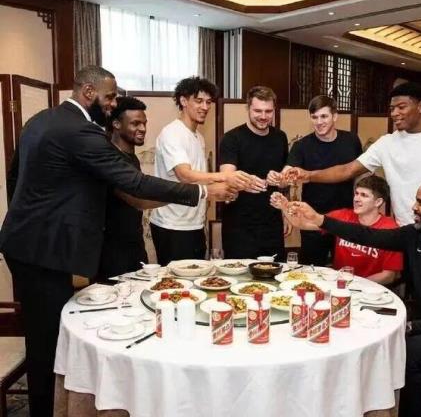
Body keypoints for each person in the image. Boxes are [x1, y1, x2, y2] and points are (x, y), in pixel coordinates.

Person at [0, 66, 235, 417]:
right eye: (109, 97)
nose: (112, 105)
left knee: (44, 338)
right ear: (89, 92)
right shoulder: (80, 131)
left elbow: (15, 176)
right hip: (43, 249)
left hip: (27, 241)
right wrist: (202, 191)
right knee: (49, 344)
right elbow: (134, 183)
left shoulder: (41, 120)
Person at [283, 179, 421, 417]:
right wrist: (320, 220)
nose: (414, 207)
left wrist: (411, 327)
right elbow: (368, 236)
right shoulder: (417, 235)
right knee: (363, 324)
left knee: (407, 354)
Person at [285, 82, 421, 227]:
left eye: (401, 107)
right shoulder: (387, 143)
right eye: (392, 109)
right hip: (406, 229)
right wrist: (308, 175)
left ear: (420, 107)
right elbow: (347, 170)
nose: (394, 113)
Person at [149, 76, 259, 265]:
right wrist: (225, 176)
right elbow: (184, 175)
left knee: (197, 278)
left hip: (194, 224)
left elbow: (200, 179)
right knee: (176, 281)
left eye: (208, 102)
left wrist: (229, 187)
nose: (205, 107)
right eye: (199, 101)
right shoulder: (172, 133)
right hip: (172, 224)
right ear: (183, 101)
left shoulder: (198, 136)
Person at [267, 95, 362, 265]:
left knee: (346, 270)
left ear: (335, 116)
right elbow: (286, 175)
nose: (319, 122)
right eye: (314, 117)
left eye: (324, 116)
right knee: (312, 269)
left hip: (346, 219)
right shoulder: (302, 146)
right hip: (312, 219)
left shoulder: (351, 140)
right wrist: (279, 178)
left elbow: (360, 175)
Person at [272, 175, 403, 285]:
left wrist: (355, 284)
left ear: (378, 202)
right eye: (356, 194)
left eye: (364, 195)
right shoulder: (343, 215)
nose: (356, 199)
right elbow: (302, 224)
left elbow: (388, 275)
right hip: (338, 285)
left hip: (371, 290)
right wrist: (284, 206)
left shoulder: (390, 229)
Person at [219, 86, 289, 261]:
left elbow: (285, 183)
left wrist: (286, 210)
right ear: (248, 108)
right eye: (258, 111)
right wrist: (246, 181)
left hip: (272, 224)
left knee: (276, 273)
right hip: (239, 225)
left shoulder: (280, 137)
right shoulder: (232, 138)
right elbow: (226, 177)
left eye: (268, 111)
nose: (263, 116)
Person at [96, 96, 150, 281]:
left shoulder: (131, 157)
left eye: (144, 123)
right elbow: (138, 201)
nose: (143, 128)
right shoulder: (109, 158)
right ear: (117, 124)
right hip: (111, 251)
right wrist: (194, 193)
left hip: (134, 244)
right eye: (135, 123)